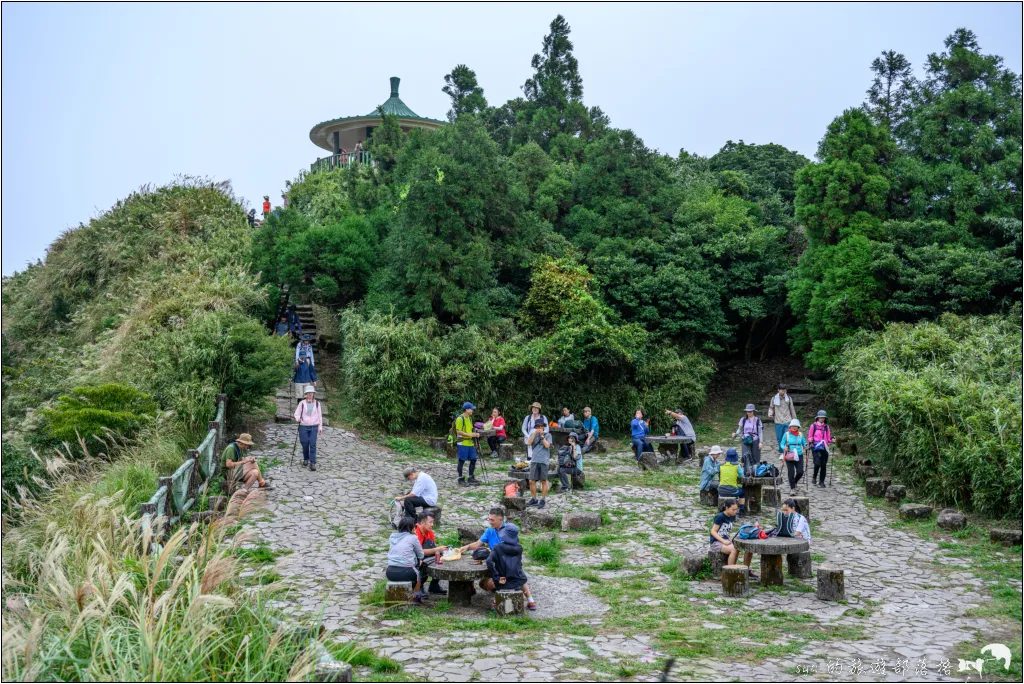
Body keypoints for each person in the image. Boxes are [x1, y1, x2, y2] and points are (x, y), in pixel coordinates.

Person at [458, 508, 536, 610]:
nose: (490, 522)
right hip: (496, 563)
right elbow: (478, 544)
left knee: (517, 573)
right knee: (483, 584)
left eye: (492, 520)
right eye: (489, 519)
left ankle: (530, 600)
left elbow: (512, 550)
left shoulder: (509, 530)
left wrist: (493, 553)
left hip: (508, 564)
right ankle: (504, 588)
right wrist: (467, 547)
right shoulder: (489, 530)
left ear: (500, 519)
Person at [486, 523, 534, 611]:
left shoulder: (497, 548)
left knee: (483, 582)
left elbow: (489, 561)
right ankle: (531, 601)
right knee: (521, 574)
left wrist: (496, 577)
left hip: (502, 581)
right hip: (517, 581)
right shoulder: (519, 549)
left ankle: (495, 601)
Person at [709, 499, 756, 579]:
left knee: (748, 546)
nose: (735, 512)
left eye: (736, 510)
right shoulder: (719, 517)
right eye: (733, 510)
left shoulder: (732, 516)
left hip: (726, 539)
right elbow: (713, 532)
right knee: (734, 549)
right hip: (716, 542)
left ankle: (747, 569)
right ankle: (730, 572)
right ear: (727, 508)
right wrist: (723, 541)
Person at [386, 516, 425, 604]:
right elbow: (421, 555)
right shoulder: (413, 538)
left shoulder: (393, 537)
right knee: (417, 573)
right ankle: (417, 597)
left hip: (390, 571)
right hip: (406, 572)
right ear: (412, 528)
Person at [415, 510, 448, 595]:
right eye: (430, 522)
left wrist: (441, 551)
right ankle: (419, 585)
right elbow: (418, 552)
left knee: (440, 557)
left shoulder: (429, 532)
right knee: (422, 561)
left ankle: (434, 585)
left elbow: (433, 547)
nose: (432, 525)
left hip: (425, 554)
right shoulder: (415, 532)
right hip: (414, 557)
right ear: (422, 522)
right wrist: (437, 550)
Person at [293, 386, 323, 471]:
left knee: (312, 444)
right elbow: (297, 414)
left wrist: (320, 426)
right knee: (305, 443)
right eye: (308, 393)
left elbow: (319, 416)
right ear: (306, 394)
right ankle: (306, 458)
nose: (310, 394)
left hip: (314, 426)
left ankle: (312, 462)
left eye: (311, 393)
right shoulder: (302, 403)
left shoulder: (317, 403)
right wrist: (298, 418)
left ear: (313, 394)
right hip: (303, 426)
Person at [526, 419, 552, 508]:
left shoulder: (548, 435)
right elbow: (529, 443)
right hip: (534, 460)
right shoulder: (533, 435)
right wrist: (534, 433)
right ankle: (534, 499)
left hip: (544, 460)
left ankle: (543, 499)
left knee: (544, 481)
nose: (540, 428)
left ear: (544, 427)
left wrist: (542, 436)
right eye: (538, 426)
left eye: (542, 426)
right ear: (536, 427)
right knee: (531, 481)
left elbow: (547, 445)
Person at [731, 404, 763, 475]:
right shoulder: (743, 420)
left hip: (755, 440)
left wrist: (761, 442)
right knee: (746, 456)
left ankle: (755, 473)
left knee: (756, 458)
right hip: (745, 440)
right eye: (747, 411)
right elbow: (739, 429)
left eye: (750, 411)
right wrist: (735, 434)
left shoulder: (758, 420)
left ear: (753, 411)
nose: (749, 413)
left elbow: (760, 432)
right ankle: (746, 473)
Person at [454, 402, 481, 486]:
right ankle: (460, 479)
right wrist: (470, 435)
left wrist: (475, 431)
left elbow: (470, 428)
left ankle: (470, 477)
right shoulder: (460, 418)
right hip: (462, 443)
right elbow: (458, 431)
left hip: (470, 443)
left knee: (473, 459)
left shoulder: (469, 418)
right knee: (462, 460)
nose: (472, 410)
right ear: (467, 410)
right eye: (471, 409)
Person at [779, 419, 808, 494]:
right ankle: (792, 488)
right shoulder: (787, 434)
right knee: (791, 472)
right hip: (789, 455)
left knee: (800, 472)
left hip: (799, 455)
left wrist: (806, 446)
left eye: (796, 426)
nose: (794, 427)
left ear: (798, 427)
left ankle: (794, 482)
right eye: (792, 426)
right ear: (790, 426)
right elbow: (782, 444)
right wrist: (784, 448)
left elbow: (804, 443)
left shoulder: (800, 435)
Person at [767, 384, 797, 453]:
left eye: (784, 390)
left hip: (787, 420)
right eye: (782, 390)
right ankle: (781, 450)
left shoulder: (789, 398)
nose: (783, 392)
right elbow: (771, 407)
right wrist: (770, 414)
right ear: (778, 390)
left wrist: (794, 420)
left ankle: (788, 450)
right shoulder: (774, 398)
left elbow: (792, 409)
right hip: (778, 421)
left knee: (787, 436)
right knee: (779, 437)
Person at [807, 410, 833, 488]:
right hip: (816, 447)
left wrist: (832, 440)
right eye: (820, 417)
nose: (822, 419)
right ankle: (814, 477)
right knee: (817, 463)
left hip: (824, 447)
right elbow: (809, 437)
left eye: (823, 418)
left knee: (823, 465)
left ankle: (821, 481)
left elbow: (828, 439)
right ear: (817, 418)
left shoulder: (826, 427)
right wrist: (810, 440)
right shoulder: (813, 426)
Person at [718, 448, 747, 516]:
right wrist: (741, 467)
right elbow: (741, 475)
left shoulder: (722, 465)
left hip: (721, 490)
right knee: (742, 493)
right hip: (732, 491)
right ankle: (742, 510)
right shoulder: (737, 466)